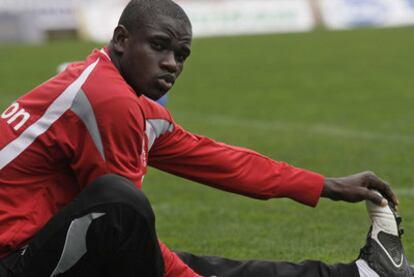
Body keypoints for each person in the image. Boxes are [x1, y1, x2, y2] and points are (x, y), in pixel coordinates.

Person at [0, 0, 411, 276]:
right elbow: (121, 218)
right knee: (129, 213)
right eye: (159, 47)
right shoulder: (107, 100)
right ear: (122, 40)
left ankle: (362, 274)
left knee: (184, 260)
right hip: (13, 261)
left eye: (181, 55)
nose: (171, 64)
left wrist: (327, 186)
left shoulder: (121, 94)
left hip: (36, 247)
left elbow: (217, 159)